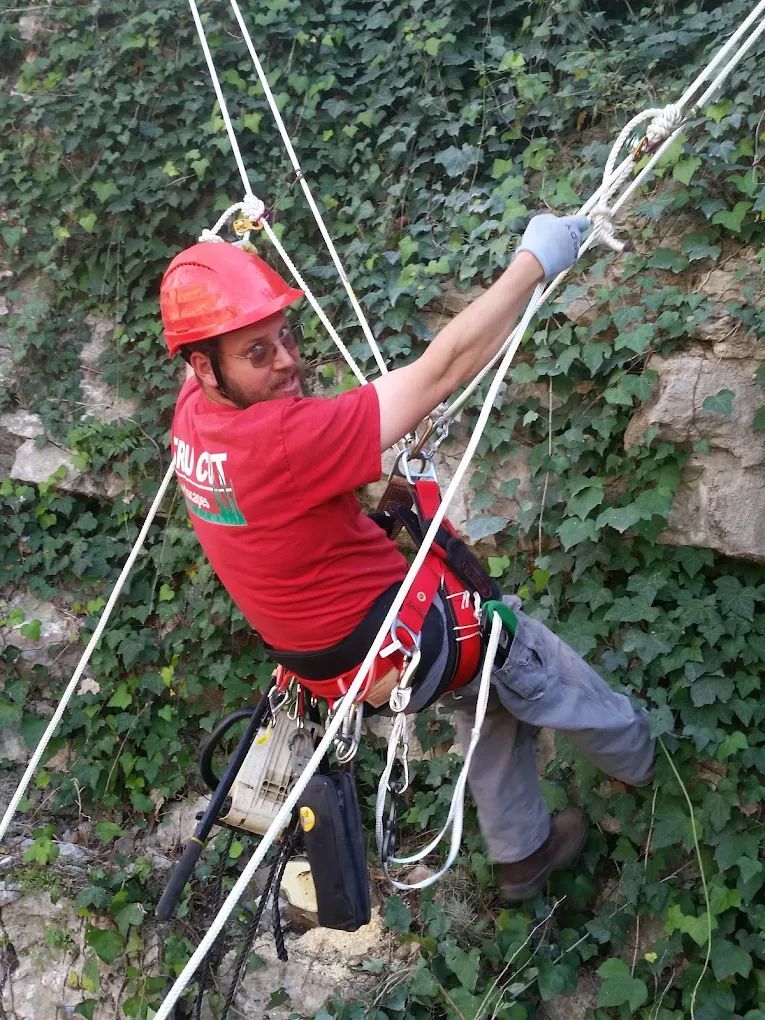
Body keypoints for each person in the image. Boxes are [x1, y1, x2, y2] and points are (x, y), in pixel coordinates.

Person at [162, 214, 655, 903]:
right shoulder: (283, 438)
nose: (287, 361)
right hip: (399, 643)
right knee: (513, 646)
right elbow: (443, 370)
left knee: (487, 697)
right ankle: (648, 767)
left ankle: (523, 852)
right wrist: (532, 262)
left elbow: (218, 330)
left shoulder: (195, 415)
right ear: (203, 364)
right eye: (257, 352)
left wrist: (227, 260)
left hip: (325, 662)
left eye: (284, 337)